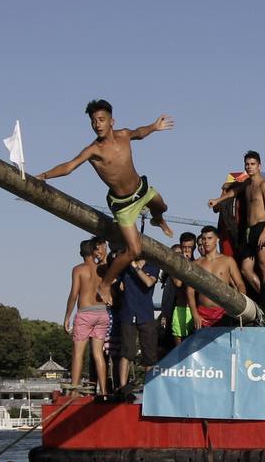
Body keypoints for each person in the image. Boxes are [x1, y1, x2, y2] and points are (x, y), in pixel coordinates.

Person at [36, 100, 175, 304]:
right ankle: (105, 284)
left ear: (112, 121)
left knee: (161, 206)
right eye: (93, 121)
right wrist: (45, 175)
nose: (97, 125)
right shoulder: (93, 150)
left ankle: (158, 219)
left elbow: (139, 132)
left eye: (101, 120)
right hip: (123, 204)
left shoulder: (124, 135)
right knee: (134, 250)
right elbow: (69, 166)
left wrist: (154, 127)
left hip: (141, 190)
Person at [207, 151, 265, 295]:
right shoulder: (247, 184)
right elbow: (233, 192)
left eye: (253, 164)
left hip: (263, 227)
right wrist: (217, 200)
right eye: (247, 164)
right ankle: (264, 297)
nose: (250, 167)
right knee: (245, 269)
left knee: (264, 268)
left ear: (259, 166)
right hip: (249, 231)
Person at [64, 238, 111, 397]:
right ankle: (104, 391)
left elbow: (73, 294)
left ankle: (74, 390)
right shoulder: (102, 269)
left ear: (81, 253)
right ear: (93, 251)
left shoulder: (78, 269)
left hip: (85, 313)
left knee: (78, 353)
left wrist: (67, 316)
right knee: (98, 354)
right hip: (102, 313)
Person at [116, 252, 160, 389]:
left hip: (145, 314)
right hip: (128, 313)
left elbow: (148, 282)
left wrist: (135, 266)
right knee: (126, 353)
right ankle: (123, 388)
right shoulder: (125, 265)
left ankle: (149, 389)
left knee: (150, 356)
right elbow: (119, 285)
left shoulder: (152, 266)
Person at [192, 225, 244, 329]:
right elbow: (190, 291)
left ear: (217, 239)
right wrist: (195, 314)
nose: (206, 242)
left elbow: (240, 284)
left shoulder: (228, 261)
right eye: (204, 238)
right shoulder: (196, 263)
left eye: (209, 238)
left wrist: (240, 307)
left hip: (224, 313)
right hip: (202, 314)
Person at [167, 233, 199, 347]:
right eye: (184, 247)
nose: (186, 250)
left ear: (194, 247)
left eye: (189, 247)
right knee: (179, 348)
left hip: (196, 309)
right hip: (180, 309)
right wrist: (184, 263)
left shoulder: (198, 263)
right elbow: (178, 283)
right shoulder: (173, 266)